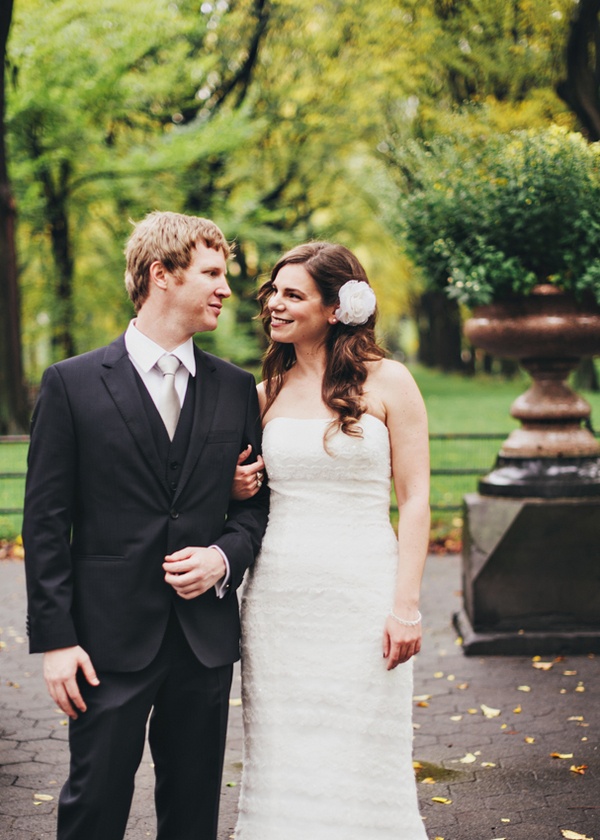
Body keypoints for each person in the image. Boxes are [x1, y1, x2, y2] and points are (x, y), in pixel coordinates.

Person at [22, 211, 269, 840]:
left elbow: (253, 506)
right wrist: (56, 640)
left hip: (202, 645)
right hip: (104, 642)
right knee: (94, 807)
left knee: (192, 818)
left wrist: (223, 557)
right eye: (212, 273)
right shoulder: (71, 385)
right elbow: (46, 522)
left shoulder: (236, 389)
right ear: (161, 274)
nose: (225, 288)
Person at [232, 242, 430, 839]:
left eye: (293, 295)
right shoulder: (263, 394)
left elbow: (416, 497)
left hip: (363, 594)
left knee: (365, 741)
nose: (275, 305)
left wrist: (406, 606)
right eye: (274, 292)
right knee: (283, 749)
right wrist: (238, 491)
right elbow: (247, 497)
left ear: (336, 307)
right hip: (279, 601)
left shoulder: (390, 381)